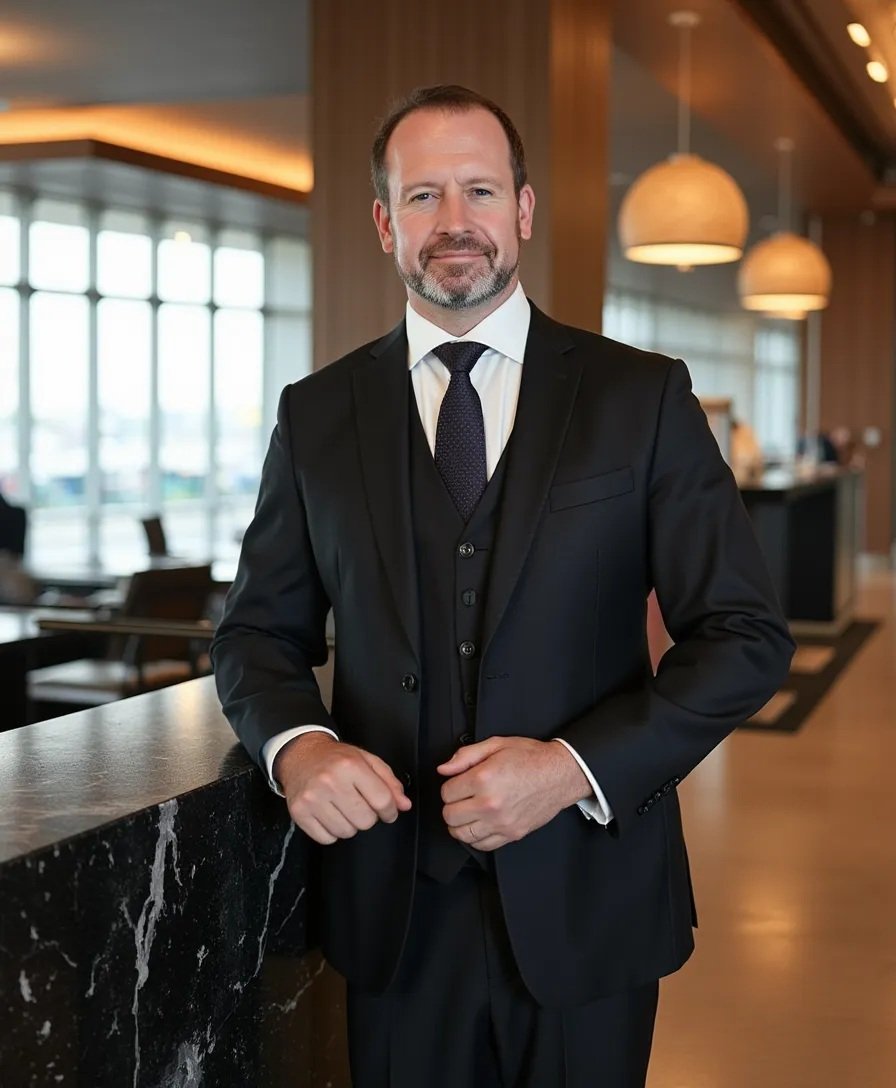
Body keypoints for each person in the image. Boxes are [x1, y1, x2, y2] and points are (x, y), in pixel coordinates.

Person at [212, 85, 794, 1088]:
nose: (455, 221)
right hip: (392, 910)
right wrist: (297, 747)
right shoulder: (316, 415)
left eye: (479, 190)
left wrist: (572, 767)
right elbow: (256, 632)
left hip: (592, 898)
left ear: (522, 209)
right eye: (424, 195)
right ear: (385, 222)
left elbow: (744, 634)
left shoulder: (640, 395)